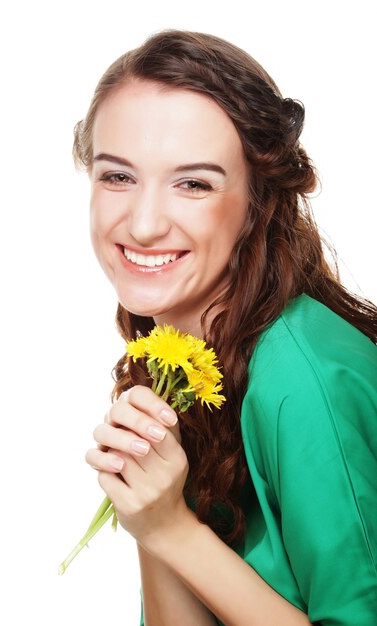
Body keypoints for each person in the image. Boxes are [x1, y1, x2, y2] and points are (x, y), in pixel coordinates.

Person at [79, 30, 377, 625]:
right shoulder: (178, 358)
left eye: (193, 183)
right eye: (118, 176)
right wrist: (153, 521)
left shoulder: (303, 380)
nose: (141, 224)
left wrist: (172, 528)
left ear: (258, 203)